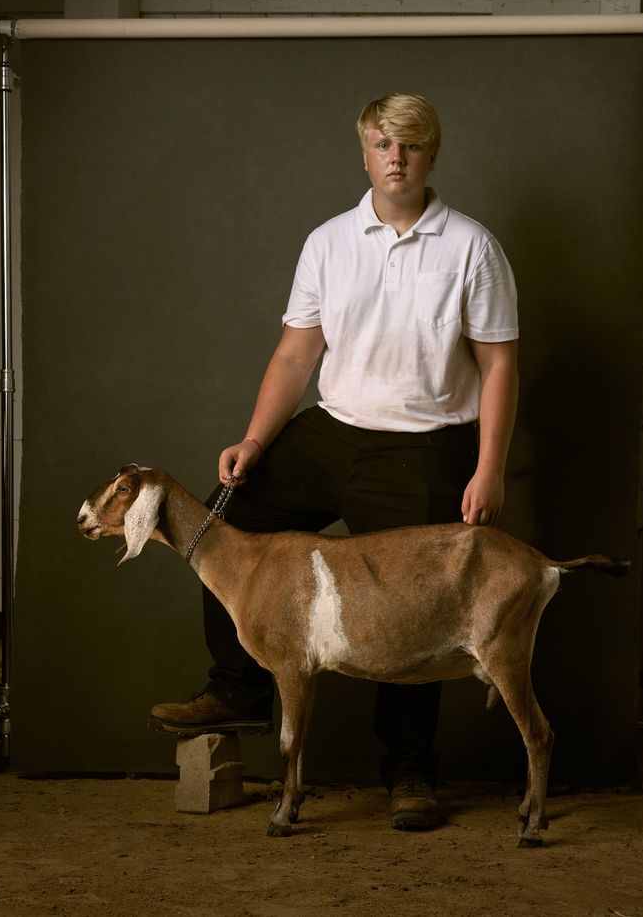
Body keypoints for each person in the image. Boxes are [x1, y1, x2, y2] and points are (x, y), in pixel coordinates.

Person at [151, 93, 519, 830]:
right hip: (334, 429)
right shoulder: (328, 242)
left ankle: (410, 771)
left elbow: (500, 363)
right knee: (229, 520)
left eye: (410, 146)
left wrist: (490, 467)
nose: (396, 158)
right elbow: (297, 352)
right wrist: (255, 440)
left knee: (416, 605)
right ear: (364, 153)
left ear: (432, 156)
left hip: (424, 442)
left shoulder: (472, 246)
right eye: (383, 144)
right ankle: (241, 688)